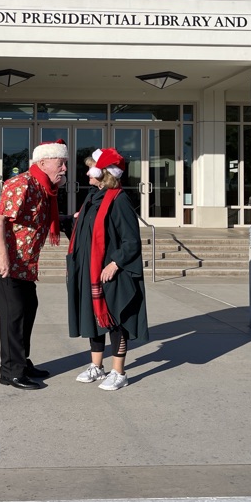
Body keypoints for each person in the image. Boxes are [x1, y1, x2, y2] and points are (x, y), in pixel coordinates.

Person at [0, 139, 68, 390]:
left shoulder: (44, 187)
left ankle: (21, 361)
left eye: (64, 163)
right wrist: (3, 257)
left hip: (25, 264)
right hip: (6, 263)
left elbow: (36, 218)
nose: (64, 168)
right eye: (60, 163)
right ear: (42, 162)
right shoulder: (23, 183)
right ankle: (11, 371)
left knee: (28, 309)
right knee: (13, 315)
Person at [66, 148, 149, 391]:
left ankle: (119, 371)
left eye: (92, 169)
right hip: (89, 269)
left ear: (104, 173)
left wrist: (115, 263)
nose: (87, 173)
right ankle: (97, 366)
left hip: (111, 271)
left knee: (115, 320)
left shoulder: (119, 199)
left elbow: (131, 240)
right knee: (94, 319)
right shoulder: (93, 197)